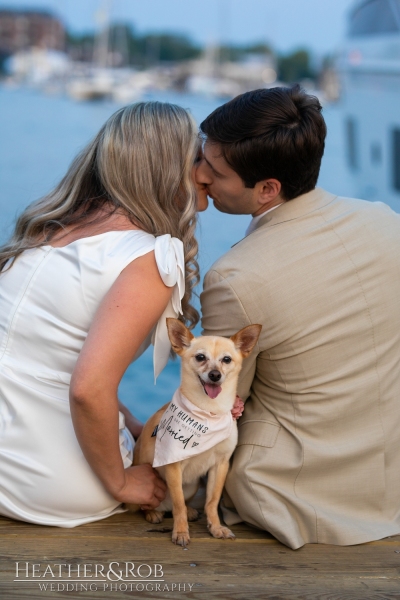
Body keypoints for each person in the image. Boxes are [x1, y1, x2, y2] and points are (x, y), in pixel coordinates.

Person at [197, 85, 400, 549]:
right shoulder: (386, 221)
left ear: (268, 188)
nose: (199, 175)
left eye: (214, 169)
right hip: (387, 484)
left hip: (289, 491)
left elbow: (216, 407)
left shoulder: (237, 277)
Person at [0, 101, 209, 527]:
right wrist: (121, 483)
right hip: (43, 478)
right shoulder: (150, 257)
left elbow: (49, 360)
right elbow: (86, 388)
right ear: (170, 168)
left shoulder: (50, 229)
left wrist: (128, 420)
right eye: (198, 157)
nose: (206, 171)